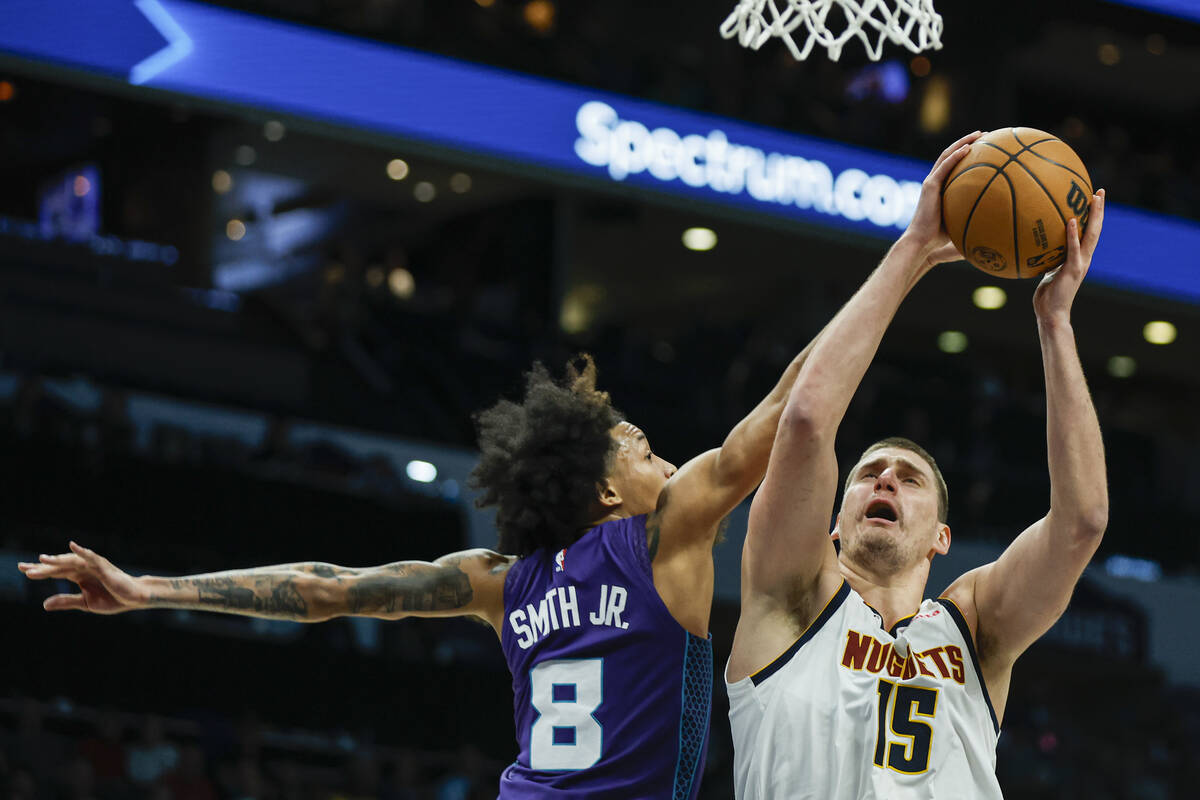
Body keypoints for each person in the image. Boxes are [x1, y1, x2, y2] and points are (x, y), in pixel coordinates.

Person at [20, 323, 833, 797]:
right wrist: (906, 254)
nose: (665, 465)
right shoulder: (659, 541)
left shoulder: (502, 581)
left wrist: (148, 589)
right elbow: (789, 405)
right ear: (606, 492)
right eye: (648, 454)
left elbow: (323, 589)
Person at [725, 133, 1109, 798]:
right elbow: (809, 420)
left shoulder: (974, 627)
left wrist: (1055, 323)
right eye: (870, 474)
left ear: (943, 537)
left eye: (910, 479)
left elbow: (1082, 523)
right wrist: (914, 251)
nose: (884, 480)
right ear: (832, 526)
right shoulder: (788, 602)